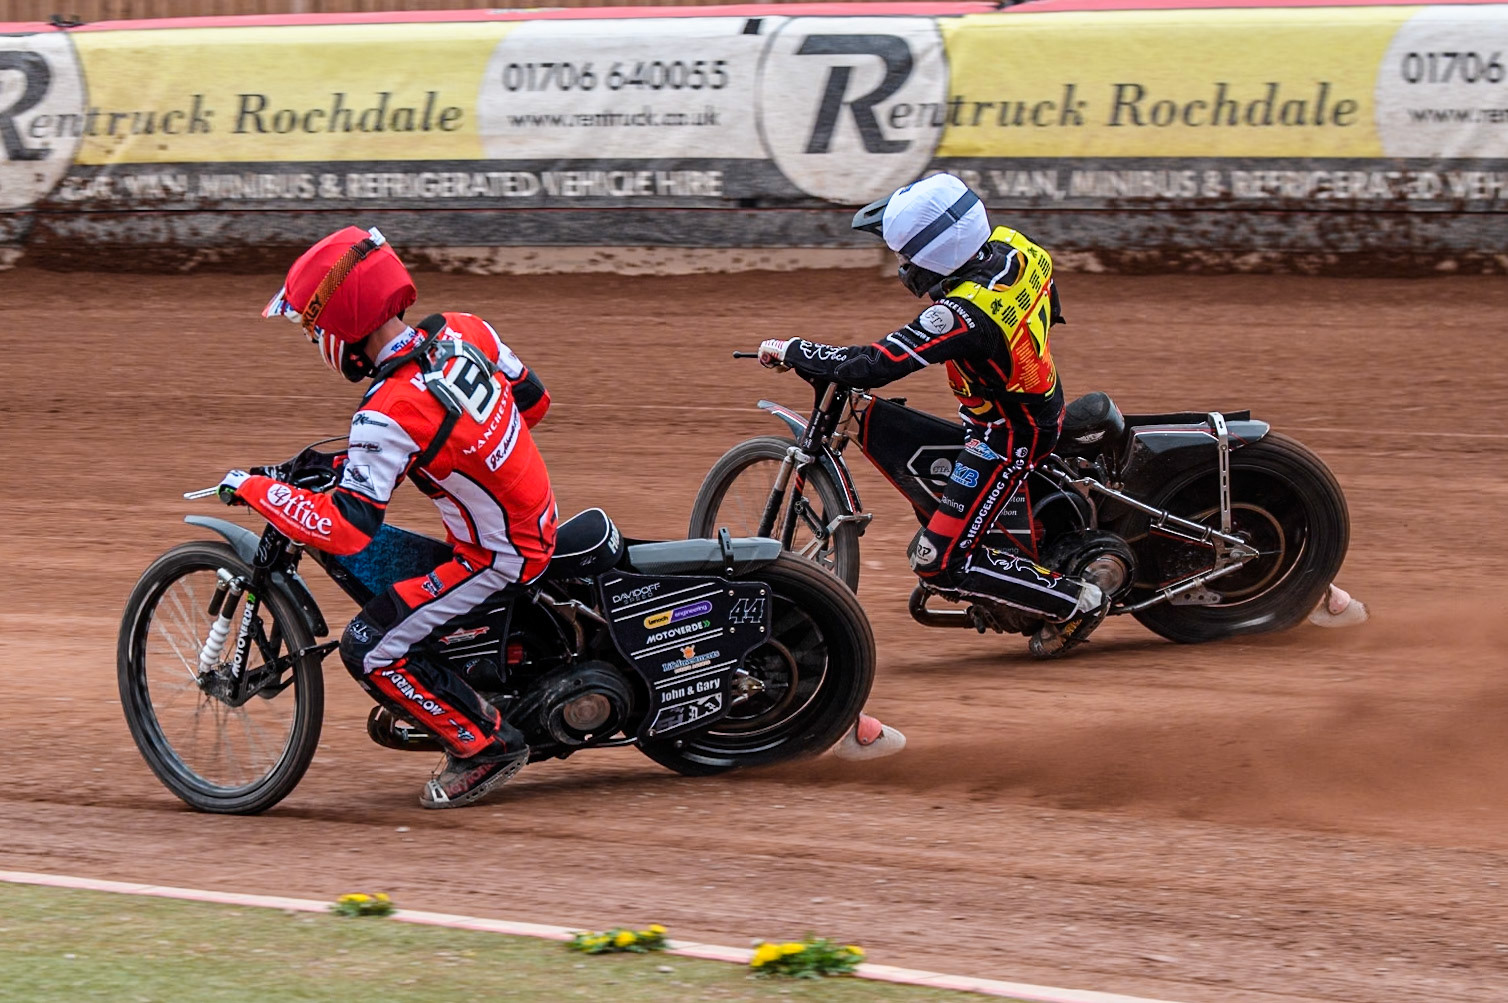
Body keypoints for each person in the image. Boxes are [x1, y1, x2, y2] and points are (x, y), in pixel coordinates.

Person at [216, 225, 557, 808]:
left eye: (312, 326)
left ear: (342, 324)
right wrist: (463, 447)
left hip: (498, 556)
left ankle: (487, 746)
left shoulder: (387, 409)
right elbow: (535, 403)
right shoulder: (466, 329)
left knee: (369, 646)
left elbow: (348, 530)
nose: (312, 338)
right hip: (532, 519)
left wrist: (253, 488)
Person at [756, 174, 1109, 659]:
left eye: (906, 257)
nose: (903, 267)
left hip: (1008, 435)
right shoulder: (1014, 246)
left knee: (938, 561)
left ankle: (1077, 603)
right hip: (1029, 398)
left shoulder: (965, 313)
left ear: (934, 255)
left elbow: (874, 365)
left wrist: (796, 349)